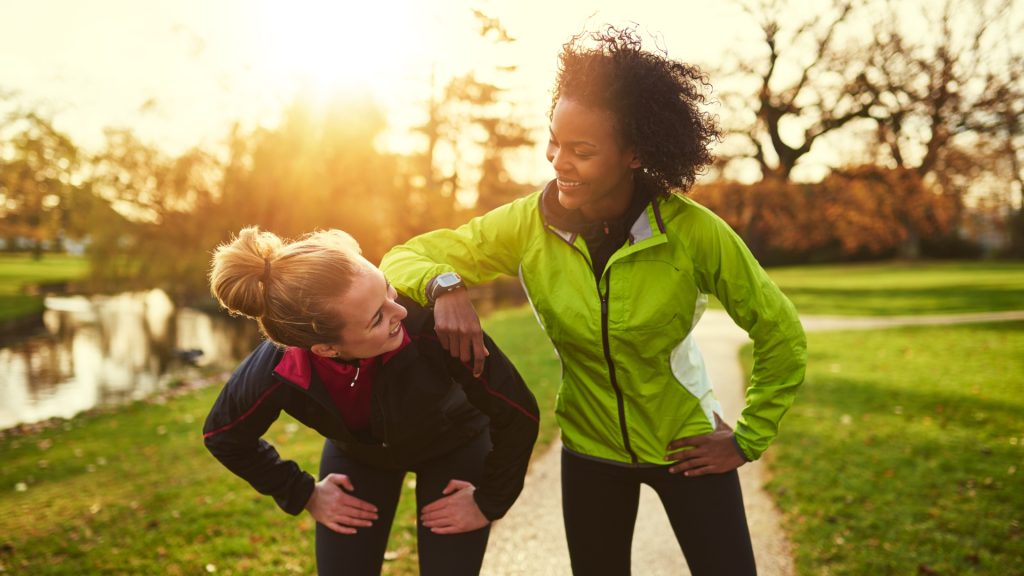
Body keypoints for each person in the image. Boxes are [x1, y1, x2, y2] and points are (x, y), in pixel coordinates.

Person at [380, 26, 807, 576]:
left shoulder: (693, 232)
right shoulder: (526, 224)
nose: (559, 161)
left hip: (686, 447)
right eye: (554, 141)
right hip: (589, 450)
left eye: (582, 151)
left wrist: (747, 439)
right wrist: (445, 286)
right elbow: (402, 258)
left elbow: (780, 331)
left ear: (635, 154)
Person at [202, 226, 539, 576]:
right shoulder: (279, 368)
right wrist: (303, 493)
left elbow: (517, 412)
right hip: (358, 458)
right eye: (378, 317)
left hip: (455, 445)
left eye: (388, 289)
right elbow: (224, 435)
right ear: (327, 349)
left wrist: (488, 502)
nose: (400, 312)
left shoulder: (434, 324)